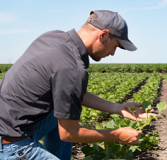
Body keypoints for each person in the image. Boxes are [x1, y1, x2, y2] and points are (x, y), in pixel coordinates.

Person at [0, 10, 153, 160]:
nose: (113, 53)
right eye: (116, 45)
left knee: (59, 113)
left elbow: (68, 92)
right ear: (103, 35)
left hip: (8, 127)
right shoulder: (72, 68)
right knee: (67, 122)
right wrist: (117, 135)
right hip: (12, 145)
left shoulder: (53, 37)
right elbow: (69, 133)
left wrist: (117, 108)